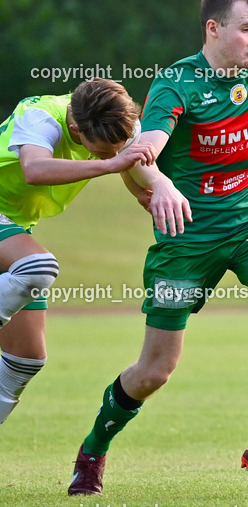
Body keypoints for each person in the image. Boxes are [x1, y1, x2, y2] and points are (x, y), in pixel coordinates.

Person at [68, 0, 248, 495]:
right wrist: (157, 179)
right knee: (155, 370)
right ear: (213, 29)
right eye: (246, 30)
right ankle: (93, 450)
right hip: (186, 241)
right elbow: (145, 146)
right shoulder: (177, 85)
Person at [0, 78, 153, 426]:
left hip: (14, 224)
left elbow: (129, 160)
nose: (111, 156)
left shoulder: (118, 120)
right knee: (37, 267)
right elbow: (34, 168)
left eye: (117, 148)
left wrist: (141, 191)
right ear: (74, 129)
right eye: (101, 150)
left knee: (25, 359)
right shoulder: (40, 115)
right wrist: (108, 166)